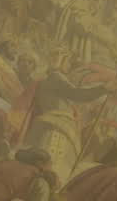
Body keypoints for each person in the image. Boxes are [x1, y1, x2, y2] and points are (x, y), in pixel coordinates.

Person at [22, 47, 111, 175]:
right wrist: (104, 88)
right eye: (68, 61)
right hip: (57, 126)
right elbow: (77, 94)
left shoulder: (47, 79)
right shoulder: (56, 77)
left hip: (49, 124)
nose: (70, 66)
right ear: (60, 61)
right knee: (52, 167)